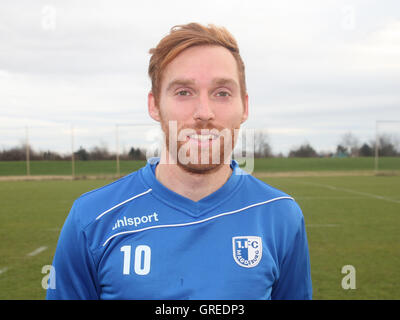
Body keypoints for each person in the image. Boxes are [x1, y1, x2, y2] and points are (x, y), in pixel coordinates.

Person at [47, 22, 312, 300]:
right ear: (154, 105)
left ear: (245, 106)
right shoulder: (91, 219)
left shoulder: (280, 215)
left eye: (222, 92)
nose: (204, 112)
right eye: (183, 92)